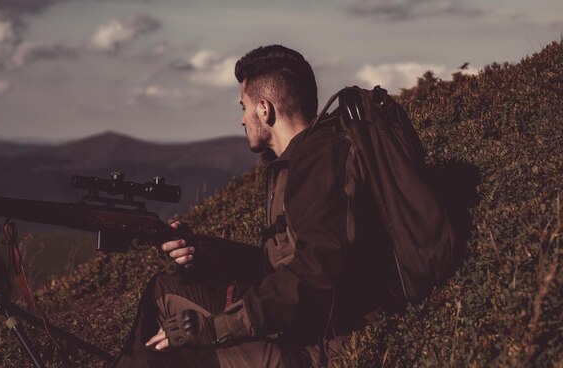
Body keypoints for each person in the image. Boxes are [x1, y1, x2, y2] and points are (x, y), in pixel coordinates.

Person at [111, 45, 397, 368]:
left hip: (316, 349)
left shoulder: (320, 164)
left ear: (264, 109)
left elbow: (315, 276)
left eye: (243, 107)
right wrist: (203, 250)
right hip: (289, 325)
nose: (241, 119)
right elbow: (275, 266)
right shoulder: (293, 162)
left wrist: (215, 328)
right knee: (164, 289)